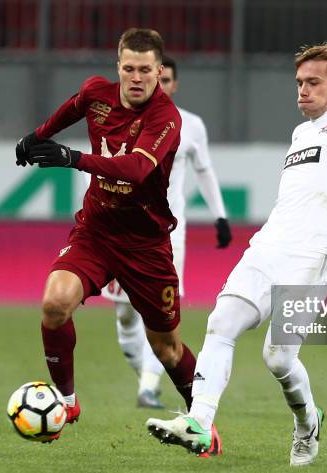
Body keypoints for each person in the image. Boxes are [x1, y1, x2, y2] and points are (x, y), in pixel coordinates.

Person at [146, 42, 327, 466]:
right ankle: (199, 420)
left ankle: (308, 422)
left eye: (314, 82)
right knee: (221, 322)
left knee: (278, 357)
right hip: (268, 246)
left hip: (313, 257)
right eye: (299, 82)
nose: (302, 90)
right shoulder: (300, 133)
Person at [14, 28, 221, 453]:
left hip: (146, 245)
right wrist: (36, 138)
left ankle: (203, 423)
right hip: (96, 230)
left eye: (146, 70)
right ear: (119, 67)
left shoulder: (167, 118)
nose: (137, 77)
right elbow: (71, 110)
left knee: (166, 347)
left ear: (159, 71)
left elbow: (135, 169)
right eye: (129, 68)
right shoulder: (97, 93)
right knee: (54, 304)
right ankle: (67, 404)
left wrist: (71, 158)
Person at [97, 55, 232, 409]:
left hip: (170, 233)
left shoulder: (191, 125)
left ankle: (148, 385)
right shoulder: (122, 119)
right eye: (161, 79)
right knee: (126, 313)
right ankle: (143, 373)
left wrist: (220, 216)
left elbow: (205, 171)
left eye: (169, 79)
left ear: (172, 82)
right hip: (122, 229)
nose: (164, 85)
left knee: (161, 314)